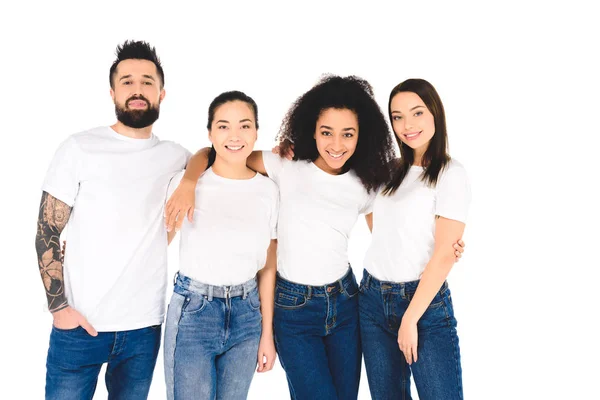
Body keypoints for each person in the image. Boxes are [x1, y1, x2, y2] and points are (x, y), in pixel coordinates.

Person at [166, 75, 464, 399]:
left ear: (361, 135)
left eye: (347, 134)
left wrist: (446, 247)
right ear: (312, 129)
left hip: (347, 304)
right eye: (326, 133)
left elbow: (391, 231)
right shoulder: (286, 164)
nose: (337, 145)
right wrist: (189, 180)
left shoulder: (366, 181)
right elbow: (221, 154)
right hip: (294, 310)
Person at [35, 40, 190, 400]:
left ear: (162, 93)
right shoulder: (79, 147)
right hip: (79, 326)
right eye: (128, 81)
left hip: (144, 327)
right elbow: (47, 231)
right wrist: (59, 308)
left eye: (147, 82)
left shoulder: (173, 155)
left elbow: (218, 157)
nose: (138, 90)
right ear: (112, 92)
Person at [359, 78, 471, 400]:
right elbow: (380, 226)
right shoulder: (389, 170)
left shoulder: (451, 173)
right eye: (397, 116)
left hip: (423, 304)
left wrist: (410, 318)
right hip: (372, 300)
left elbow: (445, 255)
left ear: (435, 113)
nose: (407, 125)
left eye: (417, 113)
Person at [162, 91, 279, 399]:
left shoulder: (269, 191)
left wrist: (267, 333)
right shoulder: (186, 184)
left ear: (256, 132)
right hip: (194, 311)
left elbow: (268, 268)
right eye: (224, 126)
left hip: (247, 313)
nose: (234, 135)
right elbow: (158, 243)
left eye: (244, 126)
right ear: (210, 133)